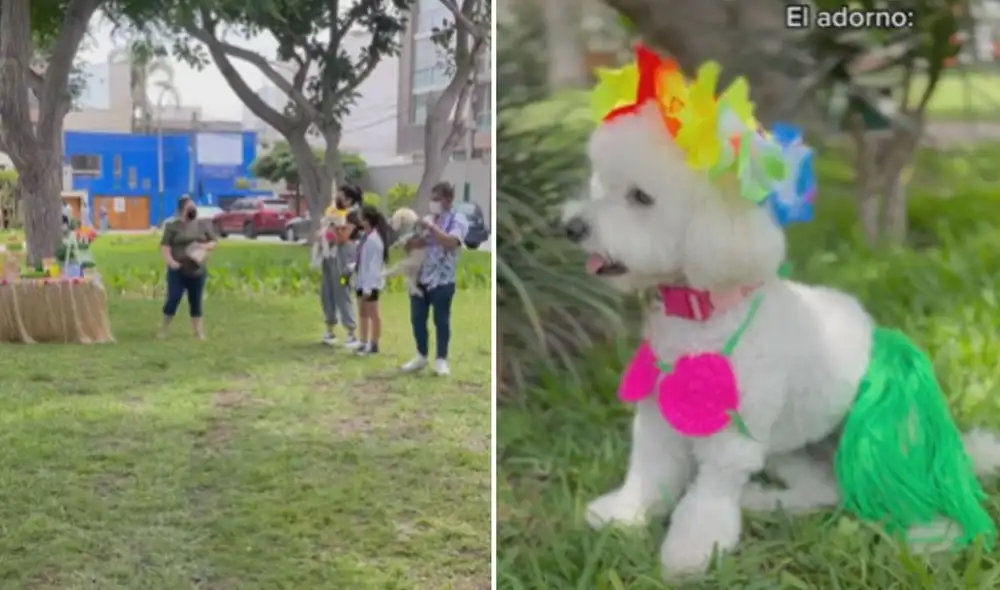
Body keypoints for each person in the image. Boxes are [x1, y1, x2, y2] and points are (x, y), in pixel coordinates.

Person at [401, 182, 469, 376]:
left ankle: (441, 359)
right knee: (417, 319)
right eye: (432, 199)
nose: (433, 203)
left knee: (441, 320)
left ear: (448, 200)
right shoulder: (427, 219)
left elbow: (450, 242)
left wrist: (431, 228)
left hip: (443, 279)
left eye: (437, 199)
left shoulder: (458, 220)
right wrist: (413, 241)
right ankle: (421, 355)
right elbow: (410, 247)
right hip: (421, 277)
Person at [159, 196, 217, 339]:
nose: (192, 210)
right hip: (178, 269)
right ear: (181, 210)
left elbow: (214, 242)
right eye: (188, 208)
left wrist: (203, 246)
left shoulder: (202, 225)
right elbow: (165, 246)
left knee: (196, 301)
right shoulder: (172, 226)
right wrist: (171, 262)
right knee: (173, 298)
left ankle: (198, 332)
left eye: (193, 207)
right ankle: (163, 329)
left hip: (197, 269)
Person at [318, 185, 364, 348]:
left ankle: (351, 331)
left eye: (342, 197)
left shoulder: (353, 215)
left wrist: (332, 229)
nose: (338, 199)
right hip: (329, 255)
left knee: (342, 288)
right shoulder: (334, 213)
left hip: (344, 256)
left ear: (350, 200)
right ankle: (329, 328)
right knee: (327, 290)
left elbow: (342, 238)